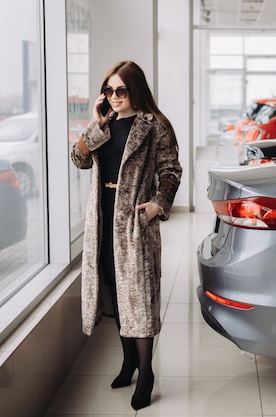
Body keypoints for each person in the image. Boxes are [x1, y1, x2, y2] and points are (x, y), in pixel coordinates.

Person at [70, 60, 182, 410]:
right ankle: (128, 361)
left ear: (135, 89)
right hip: (103, 220)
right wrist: (95, 125)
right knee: (117, 292)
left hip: (134, 223)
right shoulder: (104, 125)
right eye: (108, 90)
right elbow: (79, 160)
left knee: (138, 296)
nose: (114, 96)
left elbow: (170, 170)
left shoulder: (154, 126)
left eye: (121, 90)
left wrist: (157, 204)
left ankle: (146, 372)